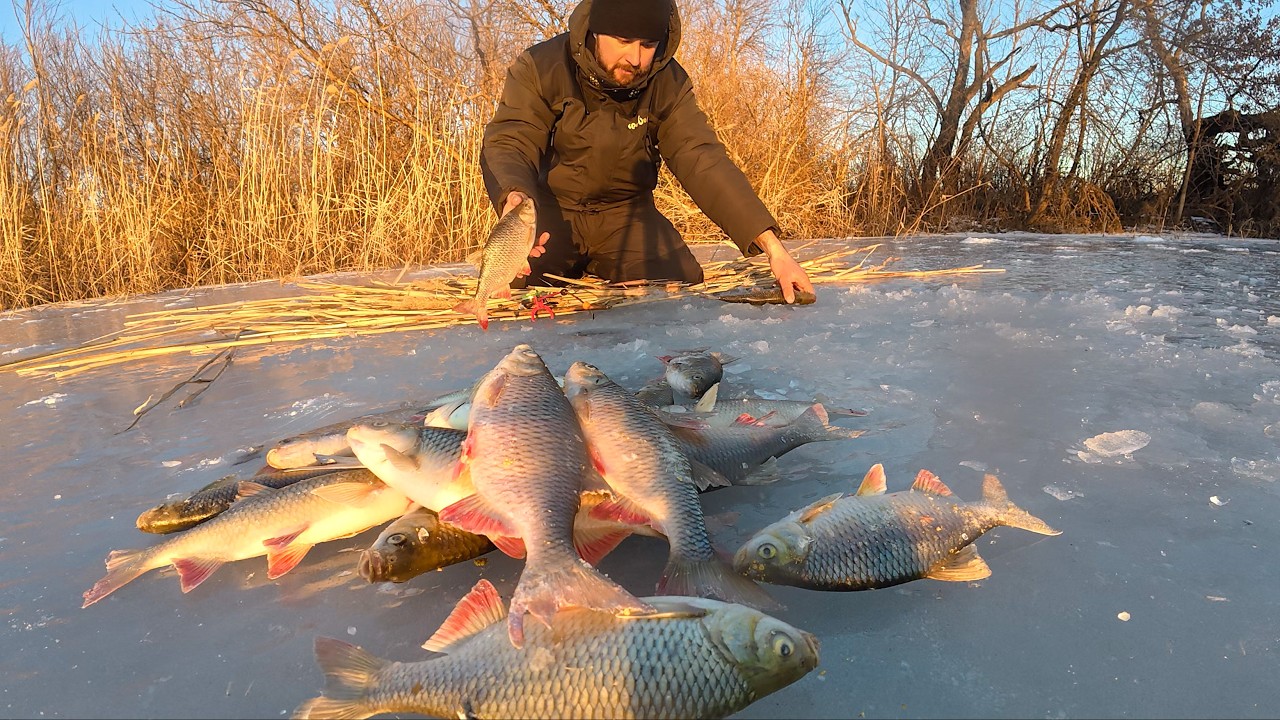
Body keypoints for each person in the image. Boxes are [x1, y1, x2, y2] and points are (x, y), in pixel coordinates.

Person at [480, 0, 815, 303]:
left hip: (625, 214)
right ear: (596, 30)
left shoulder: (667, 82)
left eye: (648, 44)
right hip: (551, 212)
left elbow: (701, 158)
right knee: (519, 289)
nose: (636, 59)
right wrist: (515, 199)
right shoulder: (542, 67)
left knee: (677, 284)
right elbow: (511, 139)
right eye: (624, 41)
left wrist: (774, 249)